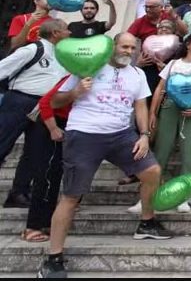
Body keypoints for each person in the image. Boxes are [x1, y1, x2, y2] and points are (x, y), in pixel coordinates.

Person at [37, 33, 170, 279]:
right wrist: (75, 92)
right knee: (71, 196)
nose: (128, 51)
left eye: (132, 47)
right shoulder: (88, 67)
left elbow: (140, 106)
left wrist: (143, 134)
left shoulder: (137, 74)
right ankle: (53, 259)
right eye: (124, 46)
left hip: (121, 135)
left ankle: (146, 222)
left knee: (152, 171)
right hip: (85, 134)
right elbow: (54, 101)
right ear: (112, 47)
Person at [133, 32, 191, 214]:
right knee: (162, 150)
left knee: (189, 152)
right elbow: (160, 89)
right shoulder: (173, 64)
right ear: (188, 44)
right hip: (170, 107)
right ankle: (146, 198)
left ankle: (184, 197)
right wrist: (153, 113)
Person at [0, 20, 69, 210]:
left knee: (33, 151)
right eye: (66, 30)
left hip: (43, 106)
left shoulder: (62, 55)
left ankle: (18, 192)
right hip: (20, 100)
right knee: (3, 143)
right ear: (55, 33)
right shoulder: (32, 50)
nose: (69, 32)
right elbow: (2, 68)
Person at [20, 73, 70, 243]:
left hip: (69, 125)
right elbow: (45, 103)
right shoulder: (75, 77)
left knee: (55, 174)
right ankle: (32, 226)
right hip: (51, 123)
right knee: (45, 175)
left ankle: (47, 221)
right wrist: (53, 129)